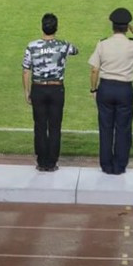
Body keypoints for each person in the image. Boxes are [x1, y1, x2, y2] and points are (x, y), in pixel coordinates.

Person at [88, 8, 133, 175]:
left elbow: (94, 69)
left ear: (112, 26)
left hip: (106, 88)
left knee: (106, 128)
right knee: (123, 128)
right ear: (126, 27)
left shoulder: (103, 44)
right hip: (124, 89)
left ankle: (106, 164)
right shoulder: (132, 45)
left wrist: (93, 88)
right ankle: (120, 165)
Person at [22, 13, 79, 172]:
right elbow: (76, 50)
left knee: (39, 126)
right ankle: (52, 162)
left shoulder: (32, 46)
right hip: (56, 89)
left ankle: (41, 162)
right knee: (55, 127)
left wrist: (27, 92)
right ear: (56, 27)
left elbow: (26, 70)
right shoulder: (63, 45)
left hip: (38, 88)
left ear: (42, 27)